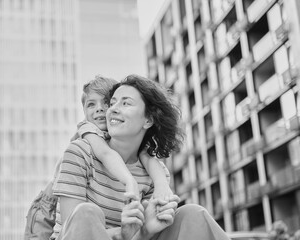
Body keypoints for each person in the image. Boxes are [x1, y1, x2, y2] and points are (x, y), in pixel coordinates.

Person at [51, 74, 230, 240]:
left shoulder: (156, 174)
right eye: (112, 103)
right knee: (86, 213)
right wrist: (122, 233)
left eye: (125, 103)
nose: (112, 109)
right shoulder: (80, 152)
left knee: (193, 214)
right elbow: (73, 229)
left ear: (148, 120)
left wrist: (145, 231)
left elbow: (139, 237)